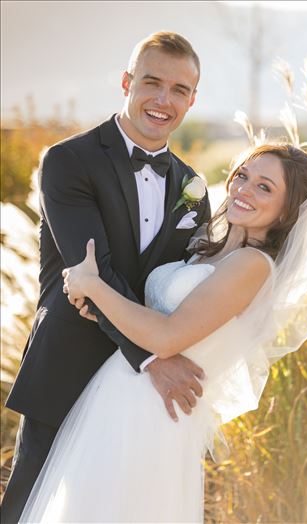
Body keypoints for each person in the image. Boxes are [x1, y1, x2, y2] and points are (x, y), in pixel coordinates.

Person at [18, 145, 307, 522]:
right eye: (243, 175)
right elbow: (156, 319)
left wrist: (93, 287)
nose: (244, 189)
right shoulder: (211, 249)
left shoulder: (253, 265)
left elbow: (167, 337)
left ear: (288, 210)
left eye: (264, 187)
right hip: (120, 393)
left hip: (153, 412)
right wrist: (99, 310)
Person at [1, 31, 212, 523]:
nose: (164, 100)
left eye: (179, 90)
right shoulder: (68, 161)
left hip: (136, 395)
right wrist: (154, 358)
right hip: (70, 364)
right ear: (126, 82)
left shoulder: (192, 188)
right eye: (152, 83)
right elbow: (90, 272)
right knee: (31, 503)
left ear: (192, 99)